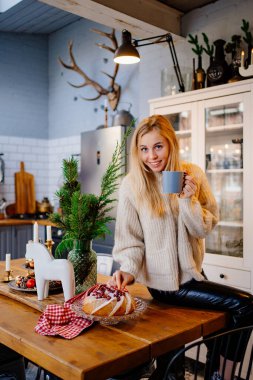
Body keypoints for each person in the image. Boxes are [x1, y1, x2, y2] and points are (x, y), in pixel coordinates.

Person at [109, 115, 253, 380]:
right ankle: (222, 376)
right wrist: (127, 270)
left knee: (219, 330)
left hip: (193, 275)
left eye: (158, 146)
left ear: (171, 144)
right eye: (144, 149)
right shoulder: (132, 185)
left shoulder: (193, 173)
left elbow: (203, 228)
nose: (151, 156)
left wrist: (188, 201)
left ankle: (207, 372)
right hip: (165, 284)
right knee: (247, 306)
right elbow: (131, 240)